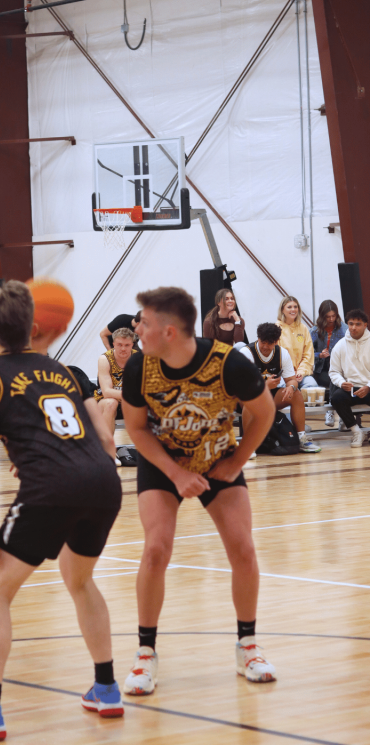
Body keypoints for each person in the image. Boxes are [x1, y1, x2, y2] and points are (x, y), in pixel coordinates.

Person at [0, 280, 123, 742]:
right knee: (80, 579)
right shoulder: (62, 369)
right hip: (104, 482)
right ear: (34, 327)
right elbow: (105, 437)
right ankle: (106, 687)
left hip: (51, 487)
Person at [121, 286, 278, 697]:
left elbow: (265, 412)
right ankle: (145, 652)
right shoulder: (140, 367)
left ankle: (248, 645)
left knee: (243, 548)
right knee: (156, 548)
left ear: (170, 331)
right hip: (162, 465)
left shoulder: (228, 364)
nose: (137, 328)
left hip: (217, 458)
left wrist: (237, 460)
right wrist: (174, 473)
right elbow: (137, 429)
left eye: (145, 322)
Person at [239, 323, 321, 453]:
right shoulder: (246, 353)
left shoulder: (282, 354)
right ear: (258, 338)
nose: (265, 346)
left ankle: (302, 439)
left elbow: (292, 380)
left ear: (276, 342)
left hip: (267, 397)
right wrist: (265, 386)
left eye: (270, 343)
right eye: (263, 342)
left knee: (296, 394)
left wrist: (291, 387)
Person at [329, 309, 370, 447]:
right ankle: (357, 431)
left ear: (365, 325)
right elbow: (333, 371)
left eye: (358, 324)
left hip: (368, 387)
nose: (353, 327)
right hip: (351, 388)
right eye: (351, 323)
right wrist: (341, 383)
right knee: (336, 398)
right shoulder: (340, 345)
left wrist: (368, 386)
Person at [94, 327, 138, 448]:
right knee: (111, 403)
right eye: (119, 345)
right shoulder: (105, 359)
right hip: (105, 401)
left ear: (132, 344)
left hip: (130, 401)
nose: (123, 348)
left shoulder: (139, 358)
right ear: (113, 344)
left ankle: (154, 452)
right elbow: (107, 392)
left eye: (127, 345)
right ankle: (108, 450)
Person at [309, 300, 347, 427]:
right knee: (334, 379)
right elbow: (307, 353)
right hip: (322, 369)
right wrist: (319, 355)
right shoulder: (314, 331)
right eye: (328, 316)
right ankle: (333, 411)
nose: (331, 319)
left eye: (333, 316)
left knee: (342, 379)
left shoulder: (344, 329)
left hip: (341, 368)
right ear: (322, 316)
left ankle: (343, 414)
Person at [277, 296, 317, 389]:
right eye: (289, 307)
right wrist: (290, 374)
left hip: (301, 373)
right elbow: (276, 356)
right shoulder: (277, 328)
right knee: (281, 387)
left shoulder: (303, 328)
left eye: (295, 307)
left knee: (312, 385)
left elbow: (308, 355)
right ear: (282, 309)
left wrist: (300, 372)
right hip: (283, 375)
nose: (293, 309)